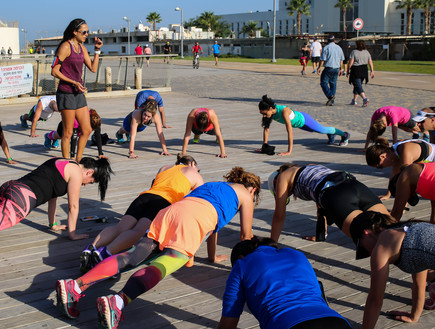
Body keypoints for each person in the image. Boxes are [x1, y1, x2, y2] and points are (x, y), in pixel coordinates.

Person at [55, 167, 261, 327]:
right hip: (195, 221)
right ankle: (117, 302)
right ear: (252, 188)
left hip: (172, 212)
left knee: (132, 255)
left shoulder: (214, 186)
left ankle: (76, 285)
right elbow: (246, 236)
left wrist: (211, 257)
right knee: (161, 266)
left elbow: (210, 230)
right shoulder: (245, 194)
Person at [78, 154, 203, 273]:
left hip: (144, 197)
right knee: (138, 231)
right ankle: (104, 254)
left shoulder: (165, 167)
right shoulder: (194, 174)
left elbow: (156, 184)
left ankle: (91, 248)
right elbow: (196, 202)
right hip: (163, 201)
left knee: (120, 227)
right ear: (192, 164)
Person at [218, 237, 351, 329]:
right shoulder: (297, 255)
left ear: (240, 257)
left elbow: (228, 324)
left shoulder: (242, 264)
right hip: (336, 321)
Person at [350, 212, 435, 329]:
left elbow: (375, 300)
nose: (368, 253)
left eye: (363, 247)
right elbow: (419, 283)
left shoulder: (384, 243)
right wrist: (413, 317)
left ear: (366, 233)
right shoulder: (410, 228)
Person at [268, 163, 392, 242]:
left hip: (336, 194)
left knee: (370, 239)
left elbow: (279, 216)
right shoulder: (310, 166)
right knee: (392, 228)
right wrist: (320, 235)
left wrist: (272, 245)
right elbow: (321, 208)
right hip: (354, 184)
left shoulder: (282, 177)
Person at [0, 157, 113, 240]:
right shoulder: (76, 173)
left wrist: (53, 224)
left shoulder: (64, 161)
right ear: (90, 172)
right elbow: (73, 206)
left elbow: (52, 196)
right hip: (21, 198)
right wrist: (72, 234)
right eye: (90, 181)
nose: (86, 185)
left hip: (10, 186)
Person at [51, 18, 103, 162]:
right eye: (84, 32)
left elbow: (93, 68)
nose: (87, 34)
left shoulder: (82, 48)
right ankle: (66, 164)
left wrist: (97, 50)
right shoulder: (65, 47)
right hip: (66, 93)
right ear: (75, 32)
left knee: (86, 130)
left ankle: (77, 161)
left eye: (88, 32)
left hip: (78, 93)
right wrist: (73, 81)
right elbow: (54, 71)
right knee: (67, 132)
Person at [258, 95, 350, 157]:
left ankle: (344, 135)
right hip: (299, 125)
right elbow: (266, 129)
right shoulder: (270, 113)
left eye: (265, 113)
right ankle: (331, 134)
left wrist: (289, 151)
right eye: (262, 114)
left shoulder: (284, 111)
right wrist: (264, 146)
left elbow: (289, 131)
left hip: (304, 119)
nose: (264, 116)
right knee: (316, 131)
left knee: (322, 130)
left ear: (270, 108)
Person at [365, 137, 435, 199]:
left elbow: (407, 181)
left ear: (382, 156)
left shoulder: (405, 151)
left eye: (379, 167)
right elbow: (394, 174)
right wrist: (388, 195)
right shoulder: (395, 152)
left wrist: (402, 207)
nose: (382, 169)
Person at [318, 35, 344, 106]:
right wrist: (341, 69)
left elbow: (323, 59)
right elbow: (341, 60)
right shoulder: (339, 48)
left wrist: (319, 67)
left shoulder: (326, 48)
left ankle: (330, 96)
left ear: (327, 41)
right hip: (336, 69)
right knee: (333, 84)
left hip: (328, 68)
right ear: (334, 40)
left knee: (323, 83)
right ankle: (331, 101)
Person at [347, 40, 375, 107]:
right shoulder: (367, 52)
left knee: (358, 85)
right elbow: (370, 62)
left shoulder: (354, 52)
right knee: (358, 85)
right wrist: (372, 71)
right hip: (364, 69)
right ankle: (354, 100)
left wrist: (348, 70)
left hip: (356, 70)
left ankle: (364, 98)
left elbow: (350, 63)